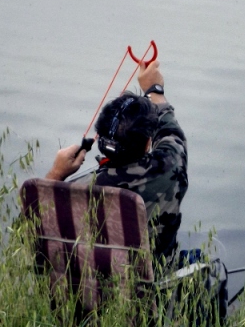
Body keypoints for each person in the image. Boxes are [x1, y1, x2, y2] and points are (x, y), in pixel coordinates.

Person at [44, 59, 188, 263]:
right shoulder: (169, 168)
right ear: (148, 143)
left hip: (81, 292)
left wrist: (56, 174)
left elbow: (26, 231)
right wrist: (154, 90)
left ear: (99, 139)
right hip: (155, 291)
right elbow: (171, 134)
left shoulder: (73, 192)